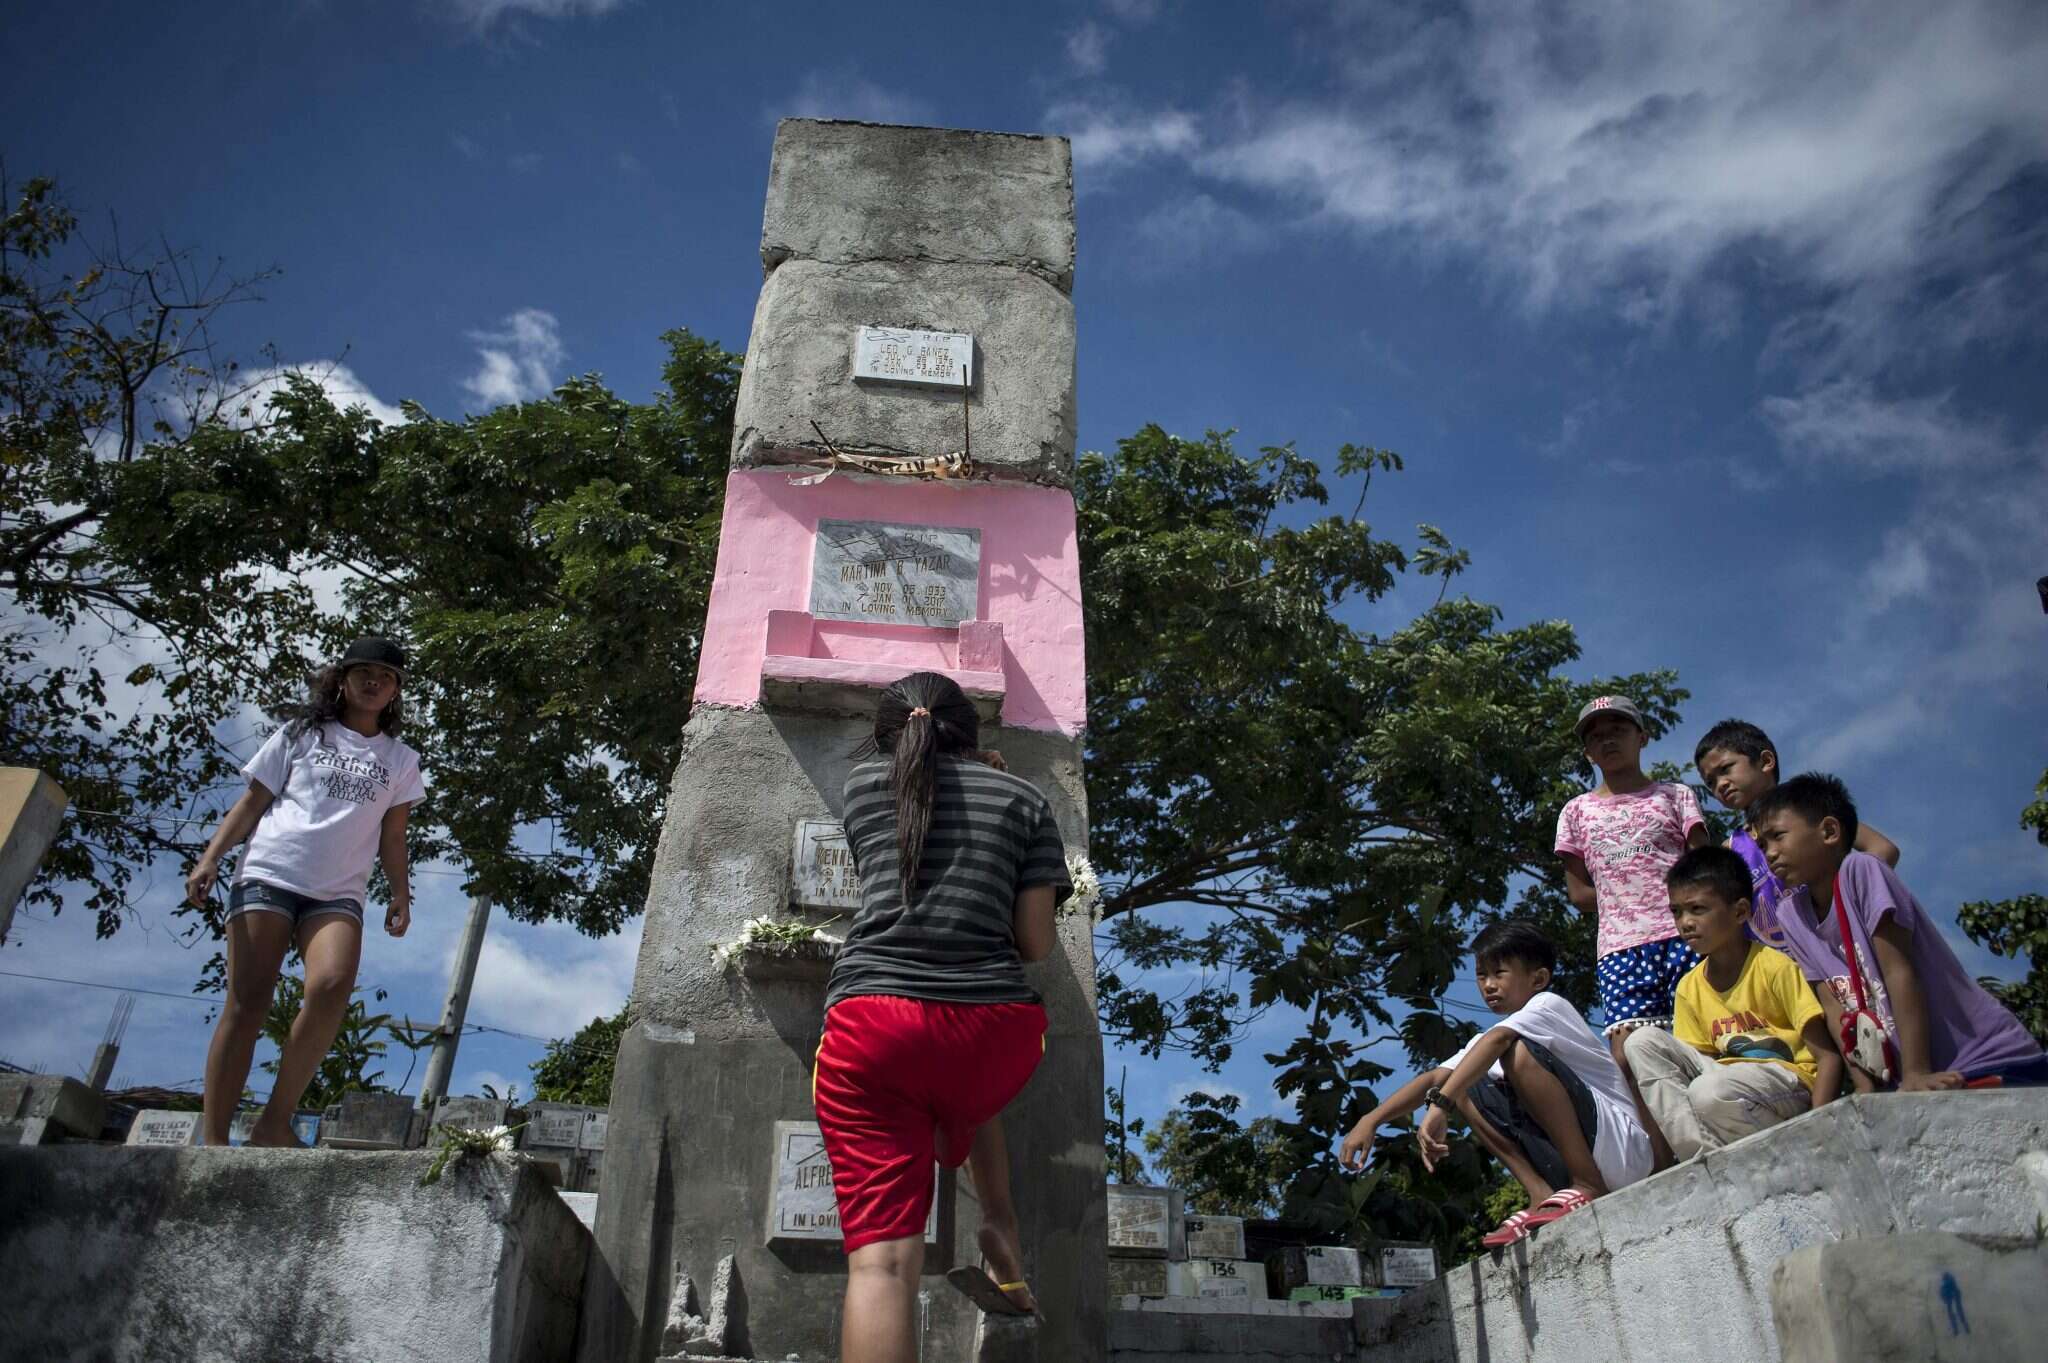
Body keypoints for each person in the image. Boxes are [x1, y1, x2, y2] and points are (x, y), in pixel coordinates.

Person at [811, 672, 1072, 1362]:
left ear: (891, 734)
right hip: (990, 1036)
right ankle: (999, 1221)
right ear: (974, 733)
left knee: (881, 1268)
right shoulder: (1025, 799)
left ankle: (994, 1223)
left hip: (872, 1028)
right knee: (966, 1085)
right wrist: (999, 785)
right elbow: (1037, 944)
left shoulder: (864, 789)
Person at [185, 637, 425, 1147]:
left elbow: (394, 834)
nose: (374, 682)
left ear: (396, 691)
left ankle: (275, 1122)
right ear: (342, 678)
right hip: (270, 875)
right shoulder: (302, 734)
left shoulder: (401, 760)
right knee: (249, 1002)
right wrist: (211, 858)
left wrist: (400, 893)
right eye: (364, 671)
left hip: (338, 892)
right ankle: (213, 1142)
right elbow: (252, 803)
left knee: (331, 984)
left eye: (386, 676)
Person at [1338, 921, 1651, 1248]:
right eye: (1481, 975)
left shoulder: (1547, 1006)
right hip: (1582, 1155)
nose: (1488, 985)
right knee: (1466, 1086)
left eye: (1499, 973)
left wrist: (1440, 1106)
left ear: (1538, 979)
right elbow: (1433, 1078)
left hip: (1621, 1150)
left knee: (1513, 1055)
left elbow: (1498, 1041)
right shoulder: (1486, 1041)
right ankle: (1539, 1194)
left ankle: (1587, 1183)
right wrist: (1370, 1120)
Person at [1750, 773, 2047, 1090]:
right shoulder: (1790, 914)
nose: (1769, 853)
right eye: (1762, 844)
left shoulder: (1861, 871)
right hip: (1909, 1081)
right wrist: (1866, 1090)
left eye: (1778, 836)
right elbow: (1835, 1009)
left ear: (1829, 831)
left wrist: (1917, 1071)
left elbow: (1898, 971)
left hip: (1986, 1058)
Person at [1554, 695, 1710, 1166]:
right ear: (1588, 753)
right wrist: (1629, 895)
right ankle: (1666, 1162)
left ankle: (1724, 1130)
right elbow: (1579, 894)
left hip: (1687, 935)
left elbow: (1705, 869)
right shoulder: (1576, 811)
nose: (1606, 738)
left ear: (1641, 737)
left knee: (1705, 1036)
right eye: (1595, 734)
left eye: (1617, 728)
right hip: (1621, 946)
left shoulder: (1677, 796)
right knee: (1628, 1058)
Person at [1623, 847, 1841, 1159]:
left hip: (1787, 1086)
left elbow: (1827, 1057)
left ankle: (1772, 1152)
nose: (1685, 923)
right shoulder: (1689, 987)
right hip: (1724, 1092)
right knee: (1641, 1041)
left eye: (1698, 909)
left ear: (1740, 912)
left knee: (1709, 1093)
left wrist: (1820, 1128)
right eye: (1677, 912)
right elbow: (1695, 1067)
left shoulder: (1773, 966)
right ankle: (1704, 1158)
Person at [1692, 718, 1899, 947]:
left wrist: (1847, 899)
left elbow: (1882, 849)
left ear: (1766, 761)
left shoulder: (1806, 809)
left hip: (1840, 950)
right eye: (1710, 782)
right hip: (1779, 973)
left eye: (1726, 769)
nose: (1720, 784)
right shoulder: (1730, 850)